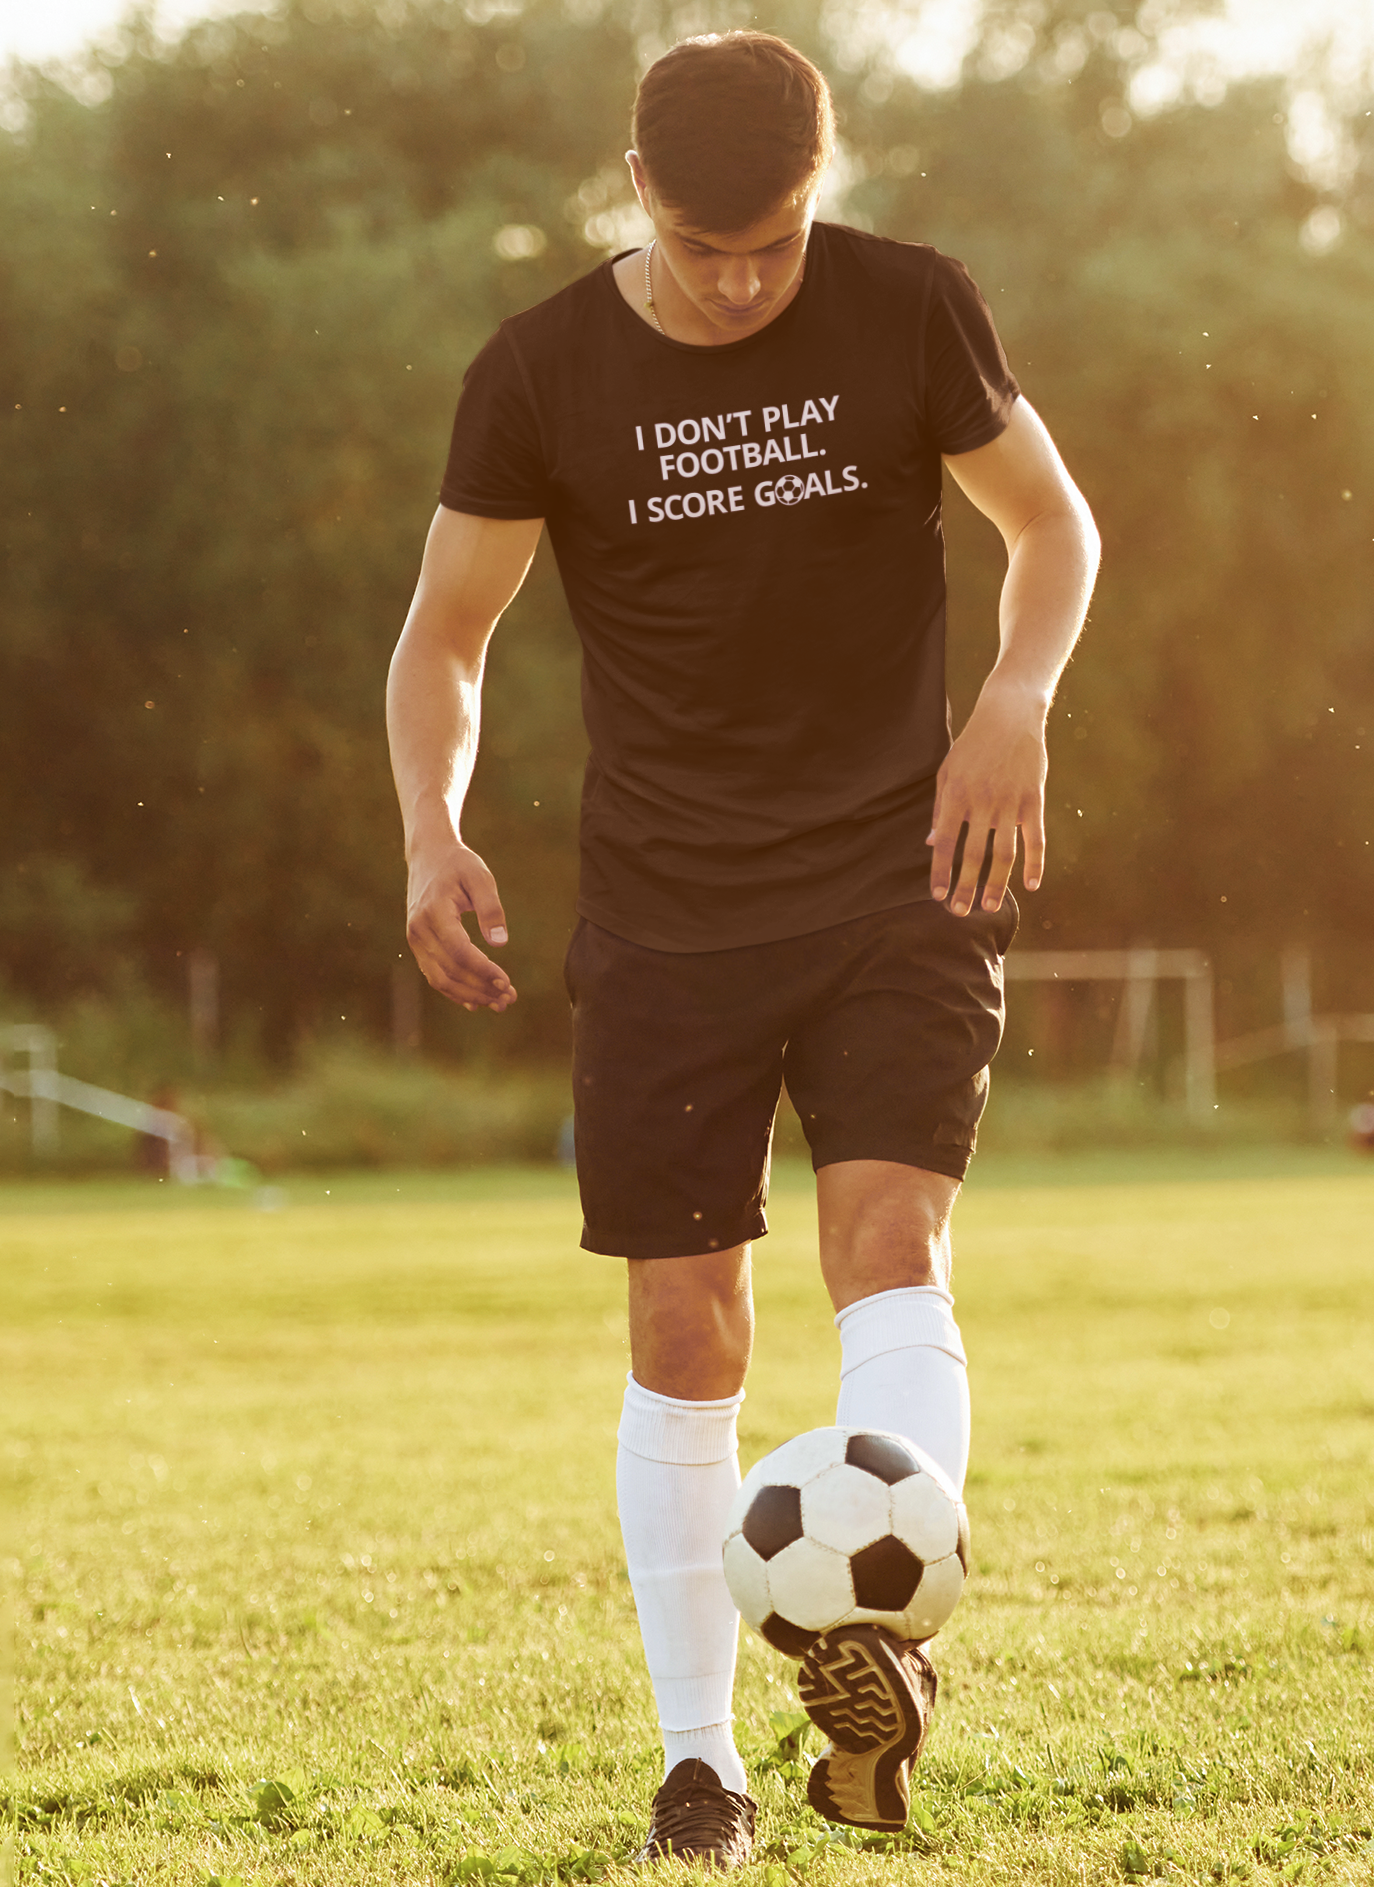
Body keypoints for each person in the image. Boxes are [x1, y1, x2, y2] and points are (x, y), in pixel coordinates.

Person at [386, 30, 1097, 1867]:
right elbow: (446, 640)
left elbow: (1051, 526)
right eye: (705, 248)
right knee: (684, 1327)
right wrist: (429, 825)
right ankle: (700, 1764)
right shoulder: (538, 369)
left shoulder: (910, 310)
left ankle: (873, 1635)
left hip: (901, 866)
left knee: (890, 1239)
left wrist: (1014, 697)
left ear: (819, 186)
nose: (739, 279)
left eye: (772, 242)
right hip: (666, 904)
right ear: (636, 192)